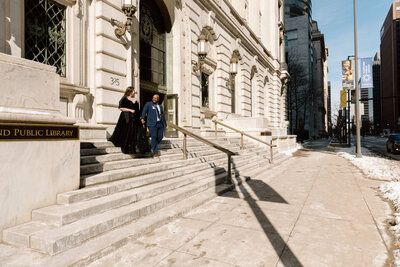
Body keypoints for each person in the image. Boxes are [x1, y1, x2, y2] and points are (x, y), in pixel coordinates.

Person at [109, 87, 150, 154]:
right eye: (133, 91)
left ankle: (137, 149)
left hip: (135, 118)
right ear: (130, 91)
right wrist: (130, 110)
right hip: (127, 117)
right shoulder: (124, 98)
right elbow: (121, 108)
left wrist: (141, 118)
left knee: (137, 132)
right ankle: (127, 147)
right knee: (127, 132)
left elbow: (138, 110)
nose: (134, 92)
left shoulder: (136, 100)